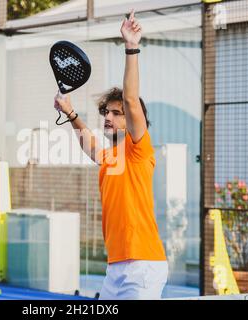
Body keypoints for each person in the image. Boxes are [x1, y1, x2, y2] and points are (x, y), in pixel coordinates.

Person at [54, 10, 168, 300]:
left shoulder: (138, 149)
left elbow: (131, 99)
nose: (109, 116)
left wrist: (131, 46)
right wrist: (70, 113)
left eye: (118, 113)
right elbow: (90, 145)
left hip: (144, 265)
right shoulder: (111, 157)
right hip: (116, 267)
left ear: (131, 119)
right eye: (106, 112)